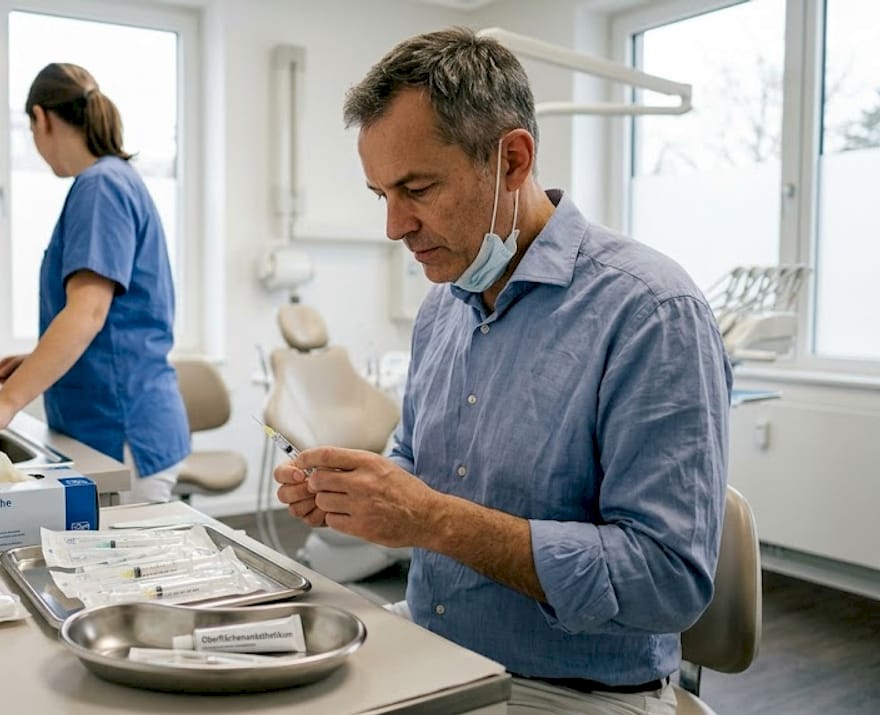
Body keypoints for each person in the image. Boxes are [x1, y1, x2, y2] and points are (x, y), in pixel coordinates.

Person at [273, 27, 730, 714]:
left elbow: (666, 581)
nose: (395, 226)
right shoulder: (443, 310)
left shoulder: (650, 312)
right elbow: (415, 469)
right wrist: (358, 496)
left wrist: (435, 520)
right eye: (380, 195)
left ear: (512, 159)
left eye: (417, 188)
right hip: (438, 655)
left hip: (572, 693)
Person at [0, 63, 189, 504]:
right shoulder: (115, 179)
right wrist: (39, 359)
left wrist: (3, 403)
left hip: (121, 432)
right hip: (126, 420)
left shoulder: (99, 186)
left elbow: (88, 312)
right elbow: (109, 320)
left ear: (41, 118)